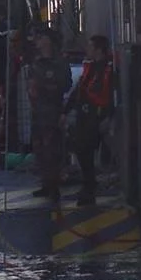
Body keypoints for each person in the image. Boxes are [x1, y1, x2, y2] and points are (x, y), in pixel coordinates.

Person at [24, 26, 72, 201]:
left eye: (41, 38)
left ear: (48, 41)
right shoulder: (35, 63)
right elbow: (30, 84)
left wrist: (45, 88)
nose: (38, 41)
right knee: (39, 149)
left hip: (52, 111)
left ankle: (54, 186)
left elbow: (65, 85)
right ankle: (45, 183)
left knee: (53, 150)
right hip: (37, 111)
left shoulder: (60, 63)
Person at [67, 34, 115, 207]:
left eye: (90, 46)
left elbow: (111, 94)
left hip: (98, 115)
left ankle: (91, 185)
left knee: (89, 150)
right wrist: (66, 111)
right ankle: (89, 183)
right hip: (85, 115)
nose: (87, 50)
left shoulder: (110, 69)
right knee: (81, 150)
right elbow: (80, 90)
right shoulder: (90, 68)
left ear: (99, 50)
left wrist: (109, 116)